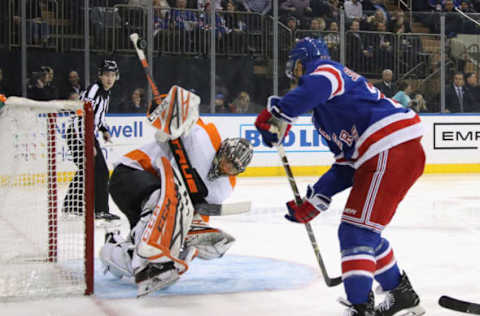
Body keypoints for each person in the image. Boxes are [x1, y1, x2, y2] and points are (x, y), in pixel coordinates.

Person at [254, 38, 426, 316]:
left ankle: (360, 308)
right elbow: (346, 166)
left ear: (300, 64)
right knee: (364, 232)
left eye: (295, 68)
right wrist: (316, 199)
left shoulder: (328, 70)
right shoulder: (323, 117)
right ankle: (400, 294)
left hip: (390, 148)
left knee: (355, 232)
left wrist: (280, 113)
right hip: (386, 154)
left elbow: (313, 87)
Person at [100, 87, 253, 296]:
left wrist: (189, 250)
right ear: (222, 149)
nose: (226, 168)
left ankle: (112, 249)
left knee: (144, 250)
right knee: (158, 199)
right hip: (131, 173)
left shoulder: (224, 187)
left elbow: (197, 212)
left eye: (233, 168)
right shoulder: (204, 137)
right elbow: (184, 112)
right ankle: (143, 262)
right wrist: (165, 108)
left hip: (157, 199)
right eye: (227, 160)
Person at [62, 60, 120, 221]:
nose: (110, 78)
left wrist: (104, 130)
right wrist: (88, 142)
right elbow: (83, 116)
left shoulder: (105, 93)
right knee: (99, 170)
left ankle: (71, 206)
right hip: (78, 134)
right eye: (106, 75)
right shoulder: (94, 90)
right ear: (100, 76)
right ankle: (100, 210)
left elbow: (97, 117)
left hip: (85, 134)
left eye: (113, 75)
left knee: (86, 169)